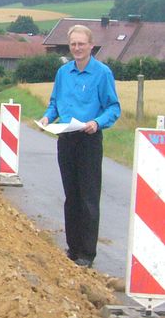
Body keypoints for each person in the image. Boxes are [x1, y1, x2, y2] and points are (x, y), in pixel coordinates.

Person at [39, 24, 120, 268]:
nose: (77, 48)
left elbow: (113, 107)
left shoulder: (102, 73)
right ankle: (73, 248)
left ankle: (87, 253)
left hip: (89, 138)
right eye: (73, 44)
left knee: (88, 197)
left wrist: (97, 122)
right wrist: (46, 117)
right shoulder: (63, 73)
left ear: (91, 46)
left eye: (81, 44)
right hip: (66, 137)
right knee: (71, 196)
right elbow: (55, 103)